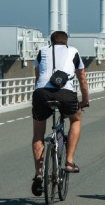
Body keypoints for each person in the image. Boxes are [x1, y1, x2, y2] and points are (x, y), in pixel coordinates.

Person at [31, 31, 89, 197]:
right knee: (76, 119)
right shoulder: (74, 51)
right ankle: (69, 161)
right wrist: (85, 100)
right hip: (65, 93)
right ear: (66, 42)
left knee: (38, 133)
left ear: (51, 42)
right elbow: (82, 79)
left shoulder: (42, 51)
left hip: (41, 93)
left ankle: (39, 173)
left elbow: (37, 77)